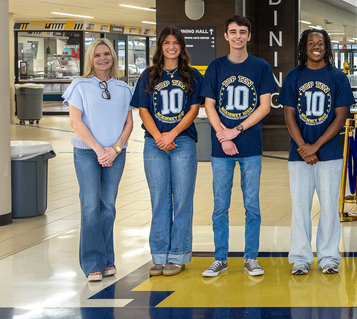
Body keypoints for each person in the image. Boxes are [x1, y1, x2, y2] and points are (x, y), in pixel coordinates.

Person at [199, 15, 278, 278]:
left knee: (251, 205)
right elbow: (209, 105)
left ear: (249, 35)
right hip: (221, 148)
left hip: (251, 147)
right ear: (226, 35)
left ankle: (251, 258)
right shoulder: (216, 66)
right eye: (233, 32)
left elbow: (264, 106)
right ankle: (220, 258)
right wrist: (224, 136)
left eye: (242, 31)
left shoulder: (260, 66)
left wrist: (237, 130)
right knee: (220, 206)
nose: (238, 36)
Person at [279, 29, 355, 276]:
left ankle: (328, 257)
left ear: (327, 47)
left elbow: (340, 117)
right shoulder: (294, 76)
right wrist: (304, 146)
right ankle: (300, 258)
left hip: (329, 153)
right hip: (299, 154)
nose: (316, 46)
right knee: (300, 208)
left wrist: (316, 146)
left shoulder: (338, 77)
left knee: (330, 207)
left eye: (320, 43)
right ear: (304, 47)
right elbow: (289, 115)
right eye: (311, 42)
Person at [131, 26, 203, 277]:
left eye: (176, 43)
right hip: (154, 143)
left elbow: (194, 109)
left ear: (182, 46)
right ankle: (159, 255)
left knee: (182, 200)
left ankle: (178, 255)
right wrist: (158, 137)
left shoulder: (192, 75)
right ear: (160, 46)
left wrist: (171, 134)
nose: (171, 47)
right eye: (166, 43)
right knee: (159, 199)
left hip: (182, 141)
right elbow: (143, 110)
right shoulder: (148, 75)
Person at [65, 38, 133, 281]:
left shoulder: (123, 88)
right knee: (90, 205)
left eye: (106, 54)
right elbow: (75, 122)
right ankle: (93, 262)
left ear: (113, 57)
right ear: (90, 60)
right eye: (97, 55)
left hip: (116, 154)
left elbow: (129, 123)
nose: (103, 58)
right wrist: (98, 150)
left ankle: (107, 259)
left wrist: (115, 149)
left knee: (108, 206)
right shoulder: (79, 85)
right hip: (87, 153)